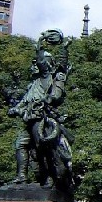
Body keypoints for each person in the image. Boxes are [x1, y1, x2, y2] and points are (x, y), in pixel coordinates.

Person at [9, 29, 74, 193]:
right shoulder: (34, 84)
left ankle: (50, 176)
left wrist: (43, 42)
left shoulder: (50, 78)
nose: (37, 63)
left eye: (41, 61)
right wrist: (16, 108)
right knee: (20, 144)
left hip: (42, 120)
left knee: (42, 149)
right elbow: (24, 101)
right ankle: (21, 176)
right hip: (29, 120)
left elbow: (55, 94)